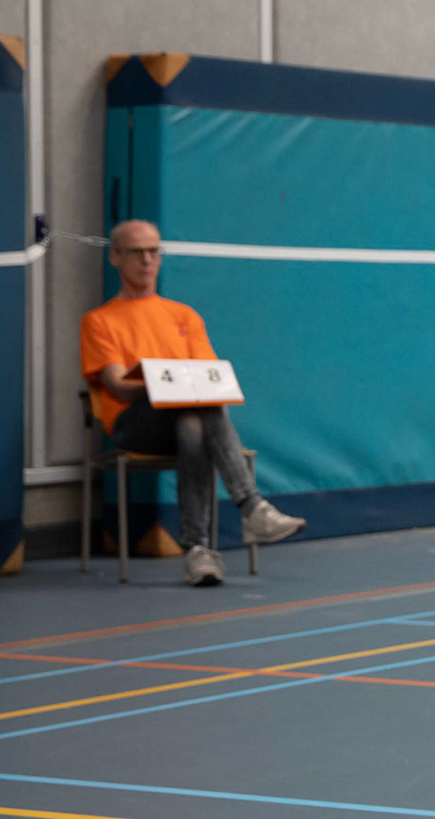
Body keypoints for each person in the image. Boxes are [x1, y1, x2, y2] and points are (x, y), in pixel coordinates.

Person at [80, 220, 306, 585]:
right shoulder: (99, 321)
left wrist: (178, 388)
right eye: (136, 252)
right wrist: (163, 386)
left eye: (153, 251)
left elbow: (205, 380)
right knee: (195, 409)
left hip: (184, 421)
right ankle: (251, 507)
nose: (147, 260)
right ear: (116, 257)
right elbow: (118, 386)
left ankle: (199, 552)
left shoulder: (184, 316)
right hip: (135, 424)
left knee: (192, 422)